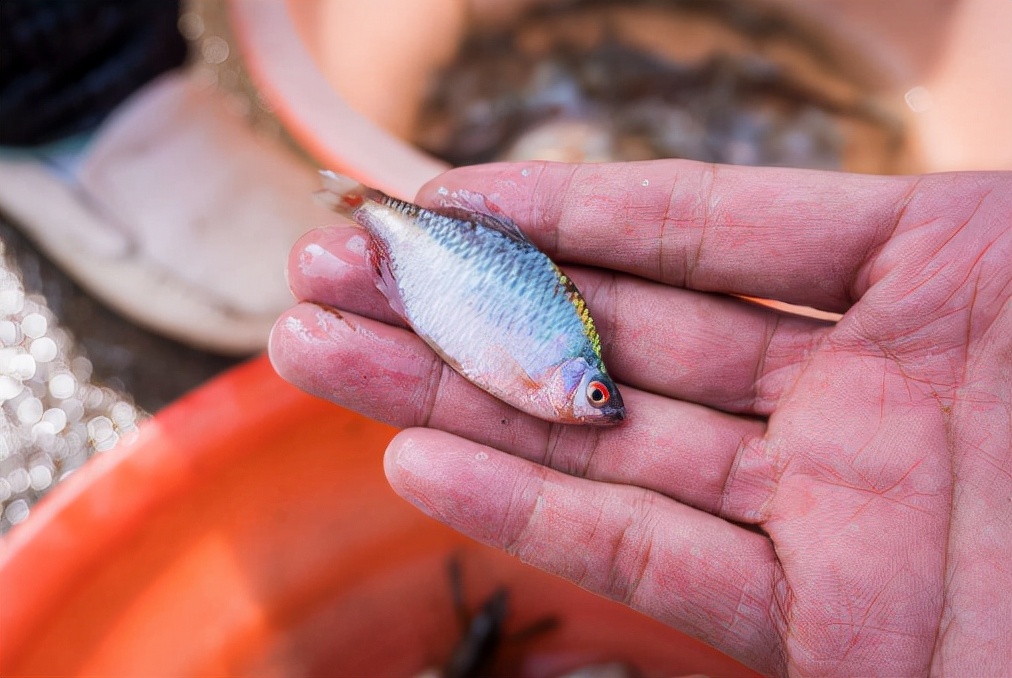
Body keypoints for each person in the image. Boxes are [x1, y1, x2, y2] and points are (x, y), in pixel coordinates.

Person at [269, 160, 1010, 676]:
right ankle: (367, 205)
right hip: (446, 271)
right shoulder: (552, 364)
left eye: (599, 398)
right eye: (598, 397)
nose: (603, 408)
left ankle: (363, 204)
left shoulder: (554, 367)